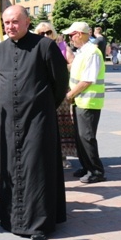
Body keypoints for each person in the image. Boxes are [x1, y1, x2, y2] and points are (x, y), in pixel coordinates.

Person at [0, 5, 68, 240]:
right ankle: (11, 218)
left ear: (27, 22)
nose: (10, 27)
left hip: (37, 120)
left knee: (37, 169)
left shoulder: (45, 46)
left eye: (15, 22)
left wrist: (42, 106)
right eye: (6, 23)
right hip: (8, 122)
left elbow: (60, 84)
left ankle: (39, 224)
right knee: (11, 168)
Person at [63, 22, 107, 183]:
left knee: (86, 137)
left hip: (89, 102)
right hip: (81, 101)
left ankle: (96, 171)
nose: (70, 39)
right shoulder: (83, 52)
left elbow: (87, 80)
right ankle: (86, 166)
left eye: (71, 35)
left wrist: (70, 95)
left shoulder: (92, 52)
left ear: (79, 34)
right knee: (80, 137)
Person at [35, 22, 76, 169]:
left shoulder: (62, 47)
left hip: (60, 91)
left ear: (53, 33)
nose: (45, 36)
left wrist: (58, 68)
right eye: (41, 33)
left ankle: (63, 157)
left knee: (62, 124)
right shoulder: (35, 47)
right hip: (41, 93)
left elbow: (74, 63)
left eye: (48, 32)